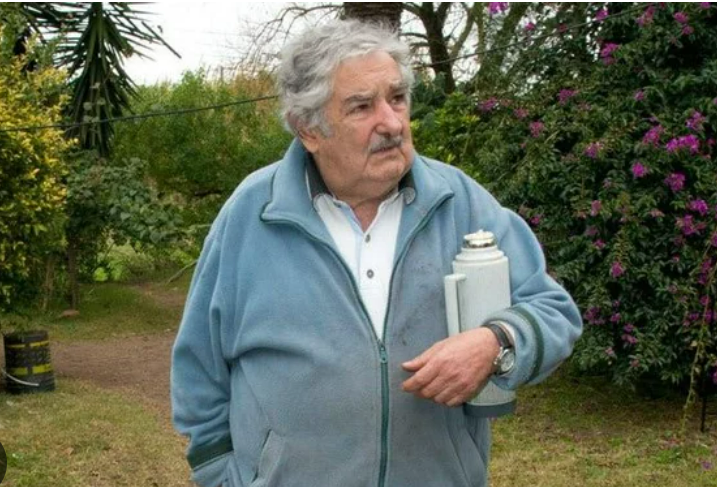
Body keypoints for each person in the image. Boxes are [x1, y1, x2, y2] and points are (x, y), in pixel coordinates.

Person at [171, 19, 582, 487]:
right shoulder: (252, 214)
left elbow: (553, 310)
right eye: (362, 106)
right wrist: (219, 474)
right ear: (309, 129)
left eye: (397, 98)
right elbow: (199, 367)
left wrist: (495, 344)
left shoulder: (459, 201)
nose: (392, 122)